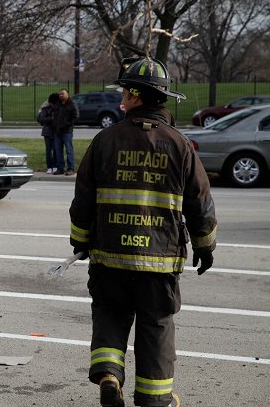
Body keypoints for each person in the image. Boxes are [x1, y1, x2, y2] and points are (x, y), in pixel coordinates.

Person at [69, 57, 217, 407]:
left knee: (109, 314)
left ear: (136, 96)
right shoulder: (180, 145)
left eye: (124, 91)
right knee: (156, 326)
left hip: (109, 254)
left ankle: (108, 374)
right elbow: (200, 203)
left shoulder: (105, 140)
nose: (121, 97)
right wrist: (205, 246)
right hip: (159, 260)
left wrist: (80, 241)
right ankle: (154, 399)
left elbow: (82, 200)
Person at [53, 88, 79, 175]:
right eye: (60, 94)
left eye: (62, 94)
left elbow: (76, 117)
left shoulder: (72, 104)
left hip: (67, 131)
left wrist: (67, 124)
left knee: (69, 150)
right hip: (57, 131)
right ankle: (60, 168)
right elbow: (55, 116)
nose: (61, 95)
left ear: (67, 94)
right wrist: (55, 125)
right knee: (58, 150)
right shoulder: (58, 104)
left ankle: (70, 169)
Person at [37, 93, 59, 174]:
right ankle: (49, 167)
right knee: (48, 151)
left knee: (56, 150)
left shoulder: (58, 108)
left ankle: (55, 166)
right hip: (47, 132)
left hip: (56, 132)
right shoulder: (46, 108)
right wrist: (51, 118)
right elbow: (41, 119)